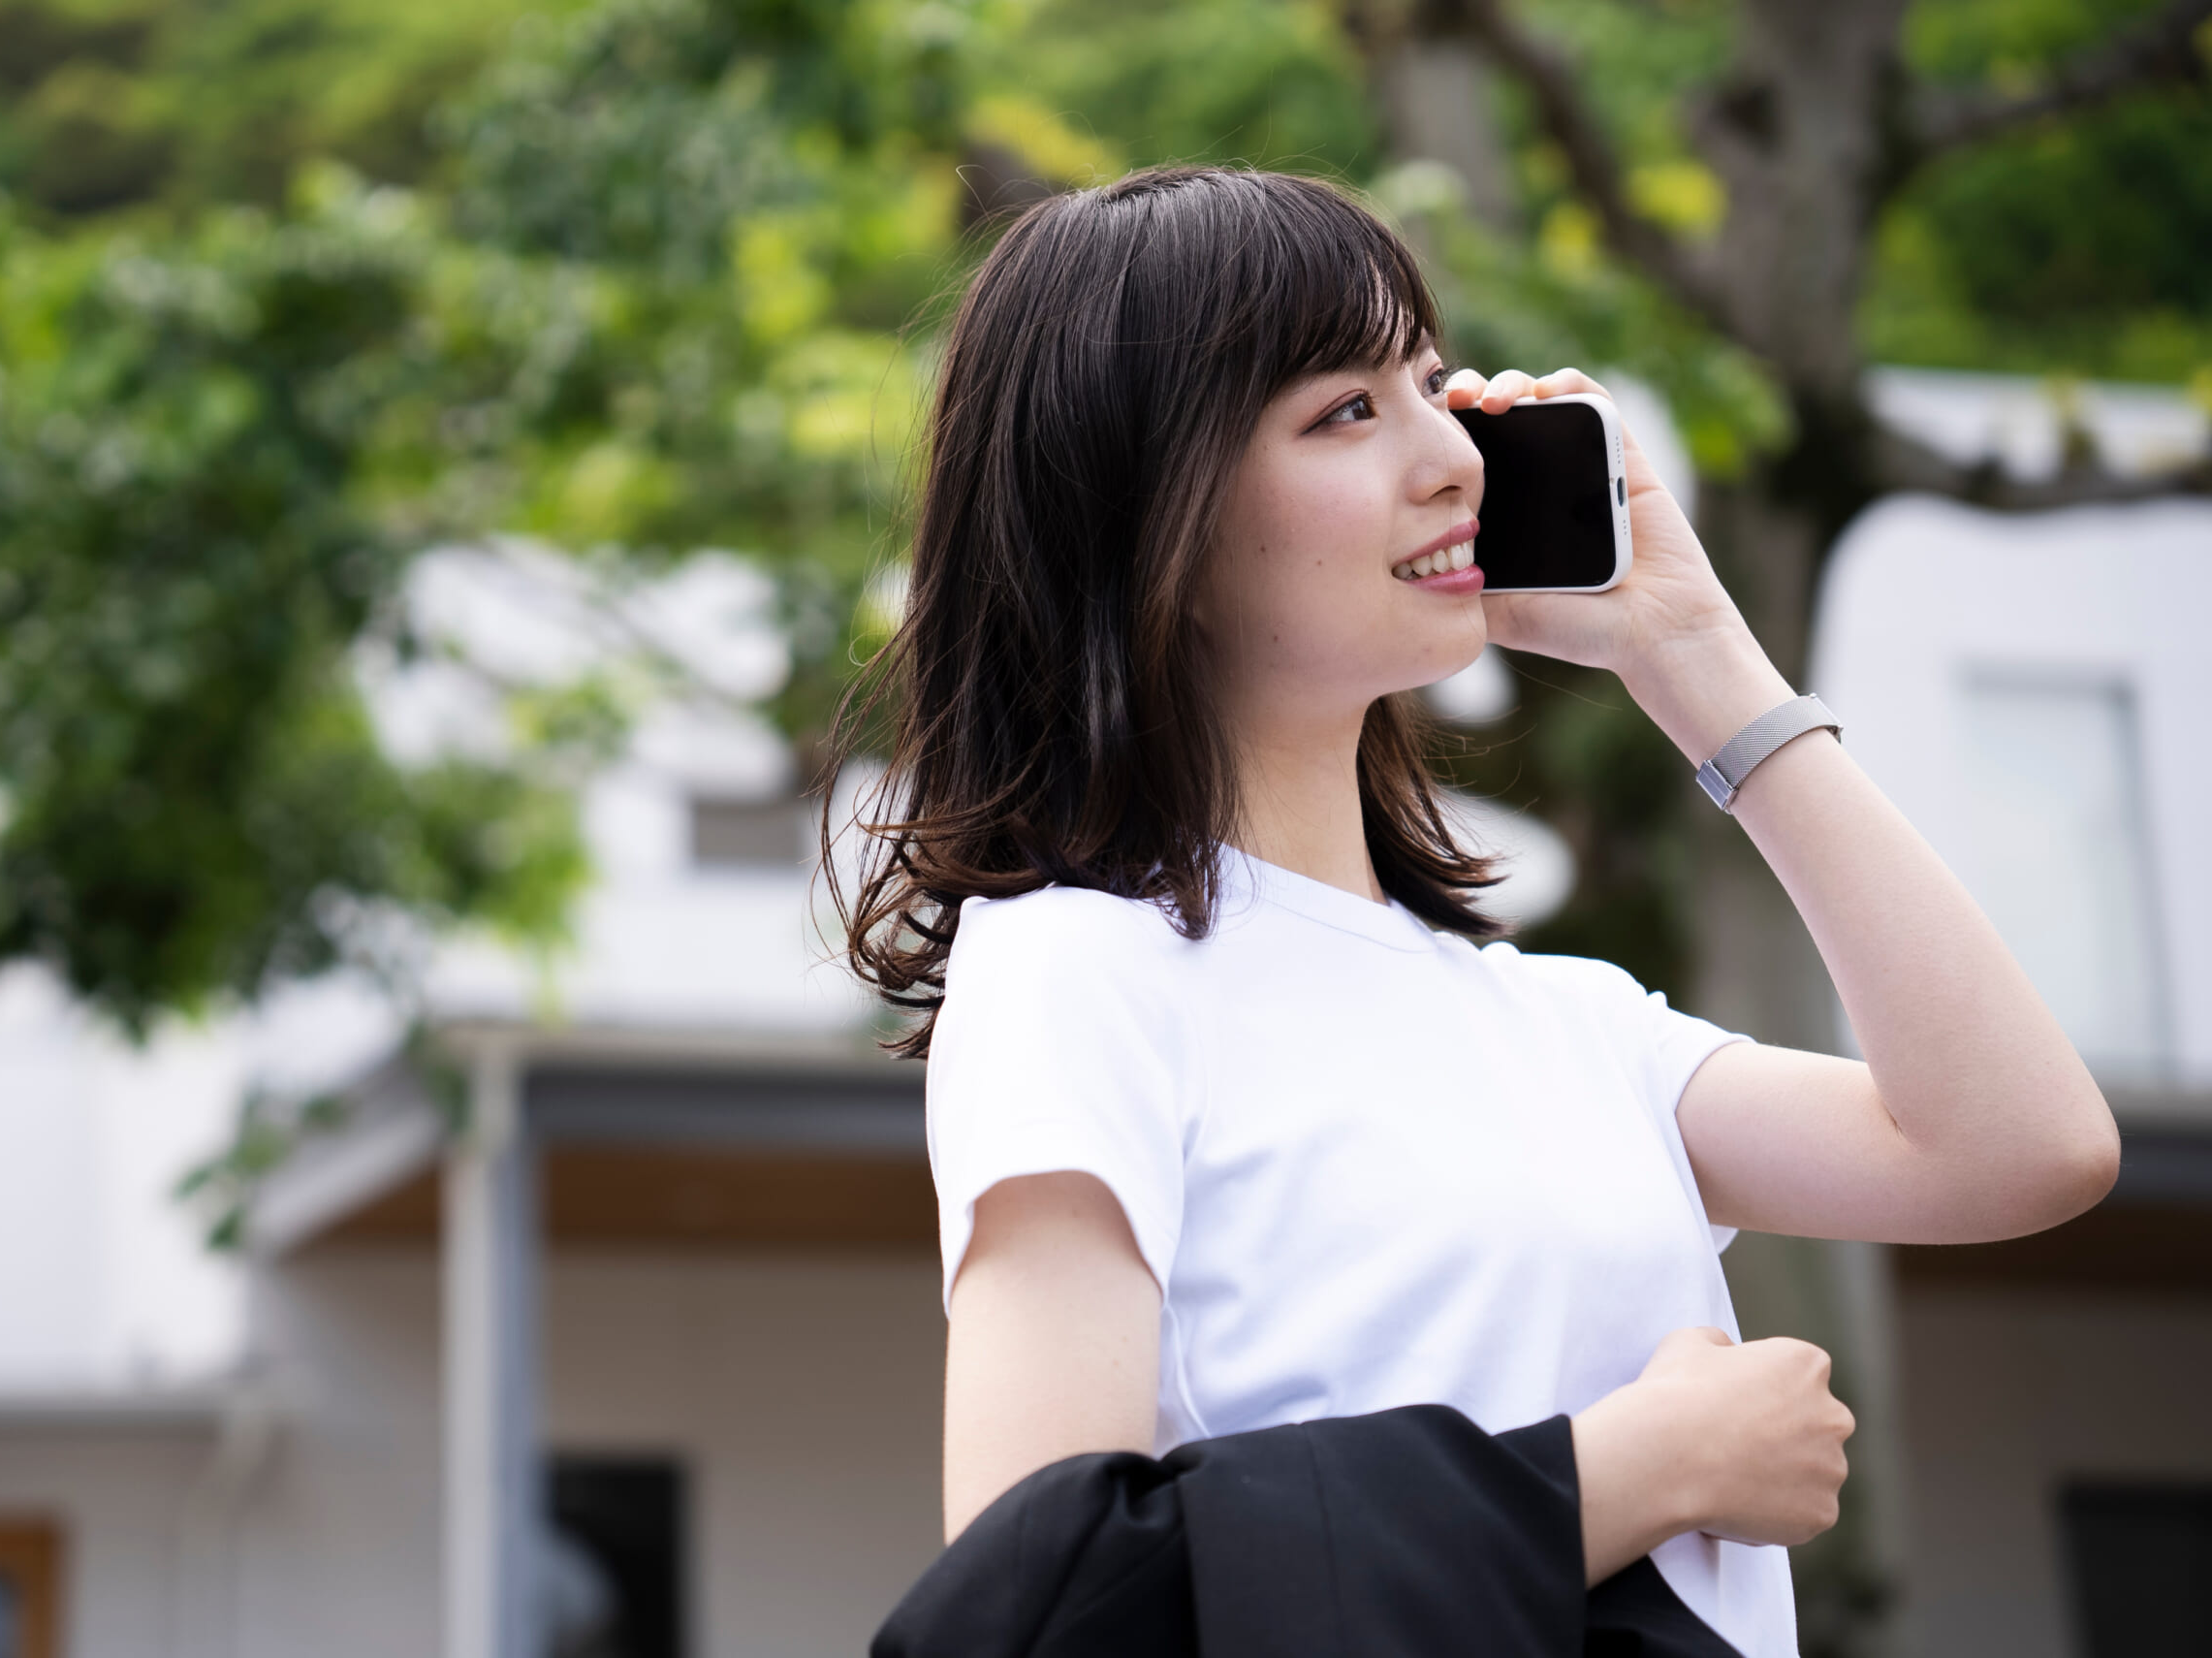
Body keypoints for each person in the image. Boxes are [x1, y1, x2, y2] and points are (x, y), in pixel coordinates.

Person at [827, 166, 2119, 1656]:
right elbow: (1042, 1601)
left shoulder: (1568, 1021)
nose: (1451, 455)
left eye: (1432, 385)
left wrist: (1697, 659)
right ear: (1148, 518)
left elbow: (2025, 1146)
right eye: (1345, 412)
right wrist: (1644, 1467)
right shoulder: (1080, 966)